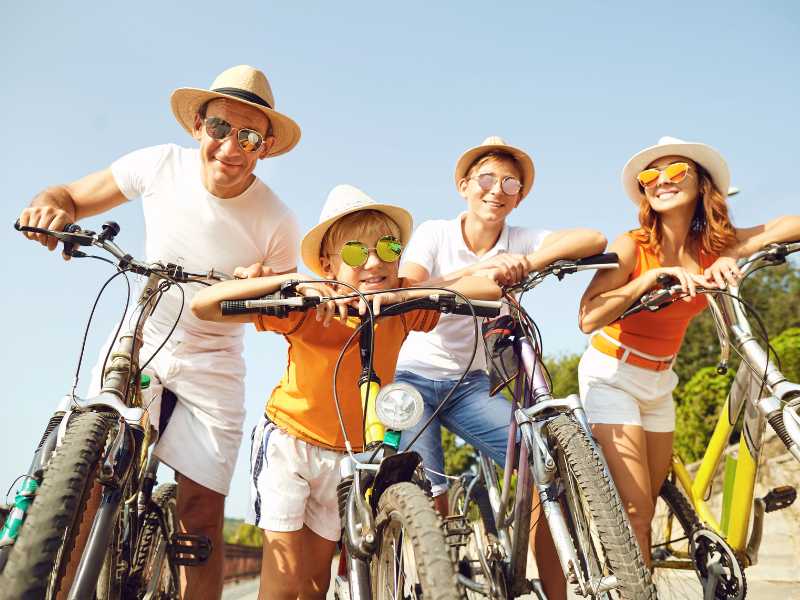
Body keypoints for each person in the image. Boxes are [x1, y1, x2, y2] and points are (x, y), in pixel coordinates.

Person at [17, 64, 302, 598]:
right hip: (139, 333)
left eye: (248, 136)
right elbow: (72, 194)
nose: (230, 148)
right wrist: (52, 205)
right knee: (82, 481)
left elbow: (282, 315)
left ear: (264, 147)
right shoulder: (157, 164)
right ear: (198, 124)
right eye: (220, 128)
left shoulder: (278, 220)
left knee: (200, 515)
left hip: (214, 359)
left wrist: (263, 290)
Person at [191, 184, 502, 600]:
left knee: (316, 585)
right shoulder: (308, 309)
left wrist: (409, 293)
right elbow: (205, 305)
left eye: (389, 249)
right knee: (284, 584)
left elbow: (489, 290)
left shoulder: (400, 306)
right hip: (291, 445)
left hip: (346, 460)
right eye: (356, 254)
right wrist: (297, 285)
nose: (375, 262)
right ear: (327, 264)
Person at [393, 136, 607, 600]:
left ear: (520, 195)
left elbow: (593, 239)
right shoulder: (435, 232)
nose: (498, 189)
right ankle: (433, 583)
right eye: (487, 178)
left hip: (472, 385)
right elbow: (408, 288)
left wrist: (525, 263)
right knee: (426, 497)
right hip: (413, 376)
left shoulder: (519, 239)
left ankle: (550, 586)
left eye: (510, 182)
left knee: (539, 464)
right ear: (465, 186)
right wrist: (480, 278)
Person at [577, 136, 800, 565]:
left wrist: (732, 254)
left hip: (661, 380)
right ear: (643, 191)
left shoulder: (712, 245)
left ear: (702, 184)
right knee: (636, 511)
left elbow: (789, 224)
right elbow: (587, 316)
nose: (662, 181)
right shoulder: (633, 245)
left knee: (653, 500)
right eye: (650, 176)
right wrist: (648, 279)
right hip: (611, 375)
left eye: (676, 172)